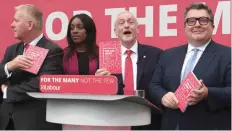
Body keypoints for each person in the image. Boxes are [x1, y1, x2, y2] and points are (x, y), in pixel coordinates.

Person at [148, 3, 231, 130]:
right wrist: (163, 97)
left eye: (203, 20)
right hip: (171, 126)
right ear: (185, 27)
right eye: (191, 21)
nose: (197, 24)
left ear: (212, 26)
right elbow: (154, 85)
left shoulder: (227, 54)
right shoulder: (168, 55)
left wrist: (208, 93)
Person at [95, 11, 163, 130]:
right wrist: (99, 82)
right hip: (115, 119)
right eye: (121, 23)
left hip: (147, 120)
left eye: (130, 22)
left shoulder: (155, 54)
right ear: (116, 32)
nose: (126, 25)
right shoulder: (104, 57)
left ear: (137, 29)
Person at [0, 4, 63, 130]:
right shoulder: (12, 50)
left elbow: (42, 83)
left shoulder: (53, 51)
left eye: (16, 21)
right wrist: (9, 67)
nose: (12, 24)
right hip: (6, 120)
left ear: (30, 25)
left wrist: (8, 91)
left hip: (34, 122)